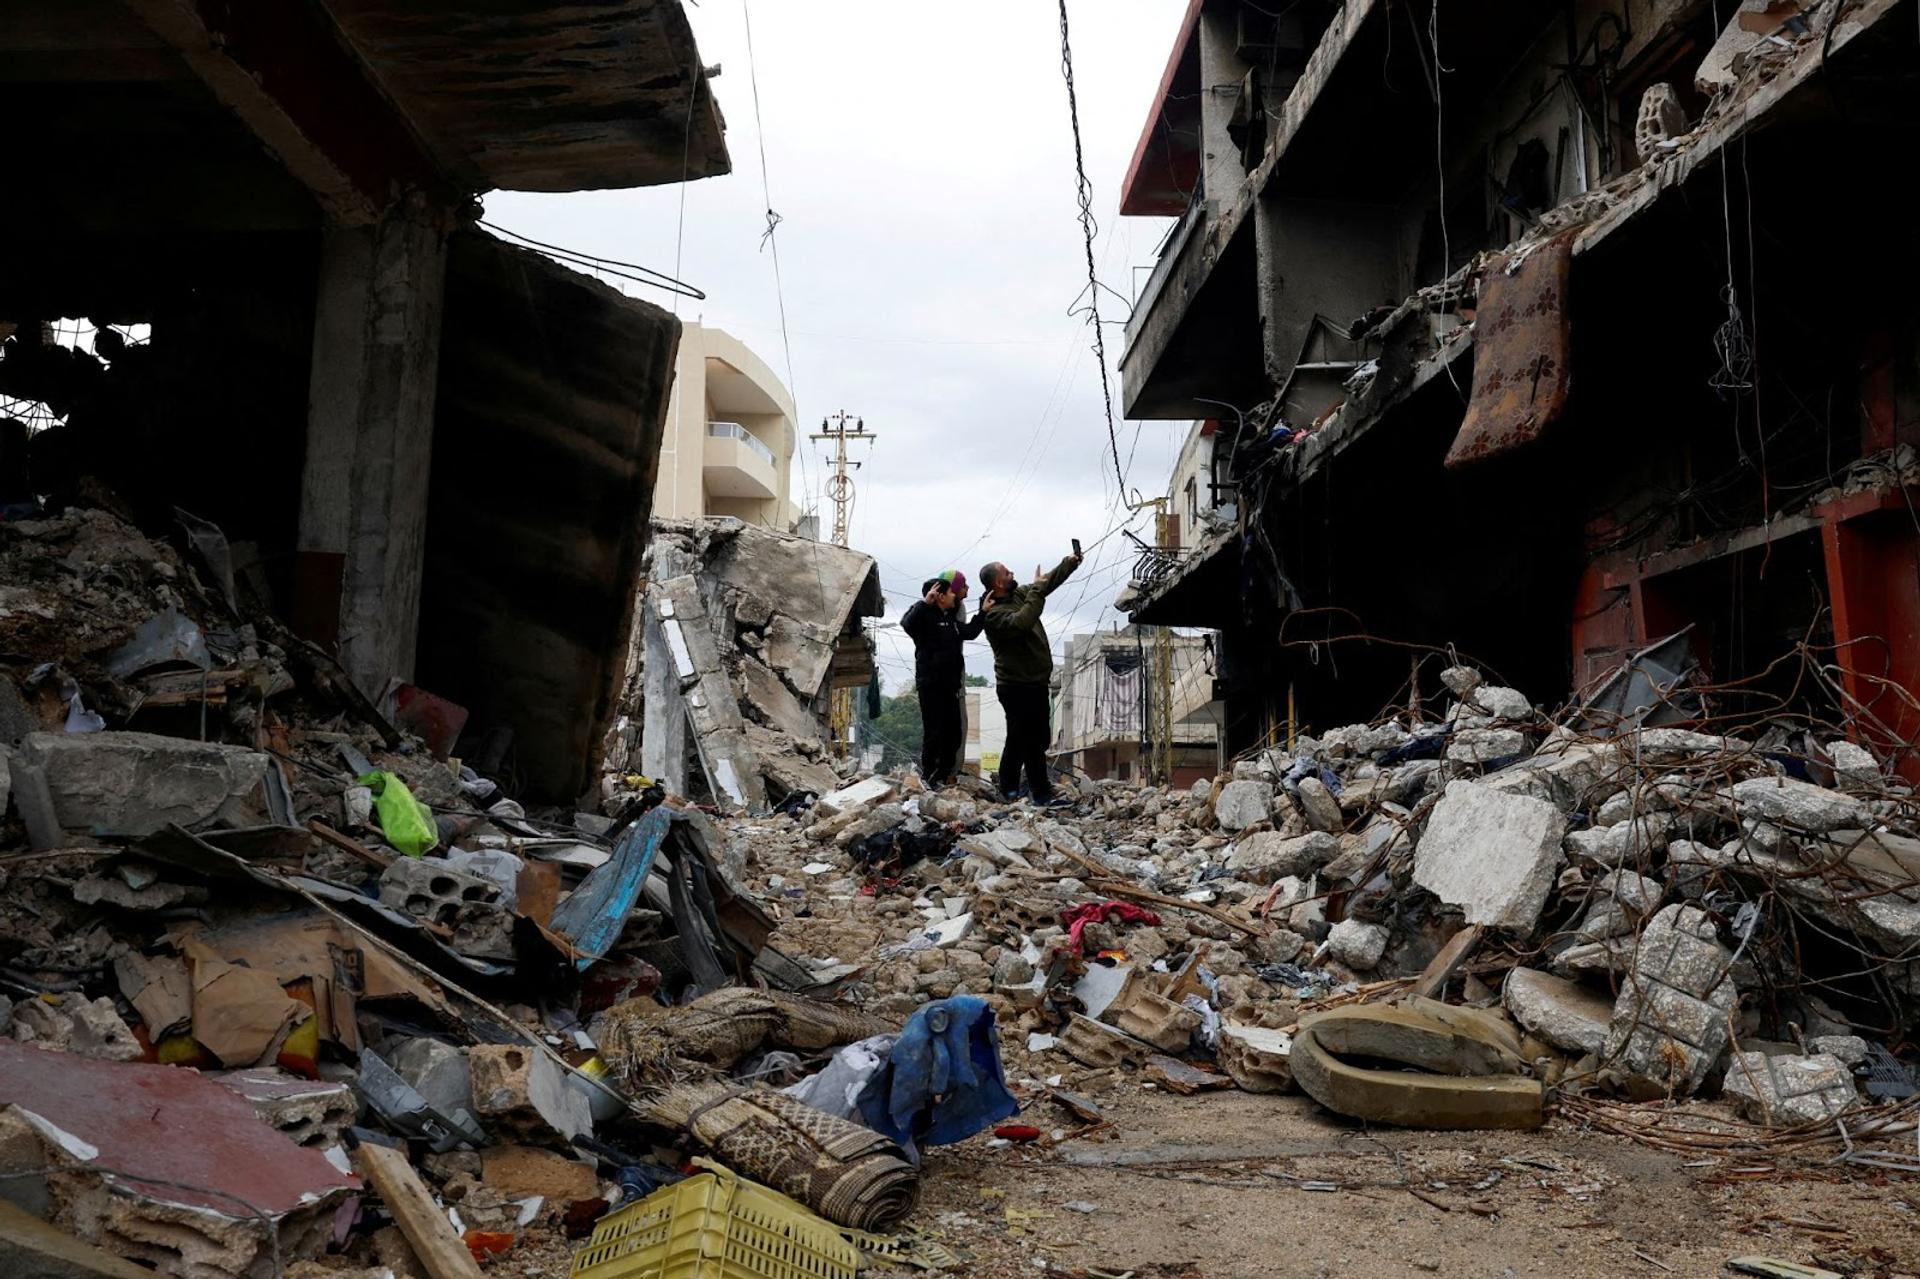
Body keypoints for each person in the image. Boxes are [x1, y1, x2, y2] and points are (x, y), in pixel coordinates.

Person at [978, 549, 1081, 803]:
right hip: (1016, 686)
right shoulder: (993, 615)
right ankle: (1040, 793)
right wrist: (1036, 590)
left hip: (1034, 682)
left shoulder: (1020, 594)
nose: (1012, 573)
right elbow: (1023, 621)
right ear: (998, 583)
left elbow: (1045, 585)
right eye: (1007, 572)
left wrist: (1068, 563)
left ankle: (1011, 789)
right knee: (1030, 741)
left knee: (1023, 739)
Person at [899, 569, 983, 786]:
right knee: (934, 732)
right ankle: (929, 775)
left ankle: (944, 774)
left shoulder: (951, 620)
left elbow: (970, 631)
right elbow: (907, 624)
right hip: (931, 686)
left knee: (954, 733)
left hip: (951, 687)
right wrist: (925, 603)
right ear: (940, 596)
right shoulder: (924, 619)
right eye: (950, 593)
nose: (955, 595)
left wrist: (983, 612)